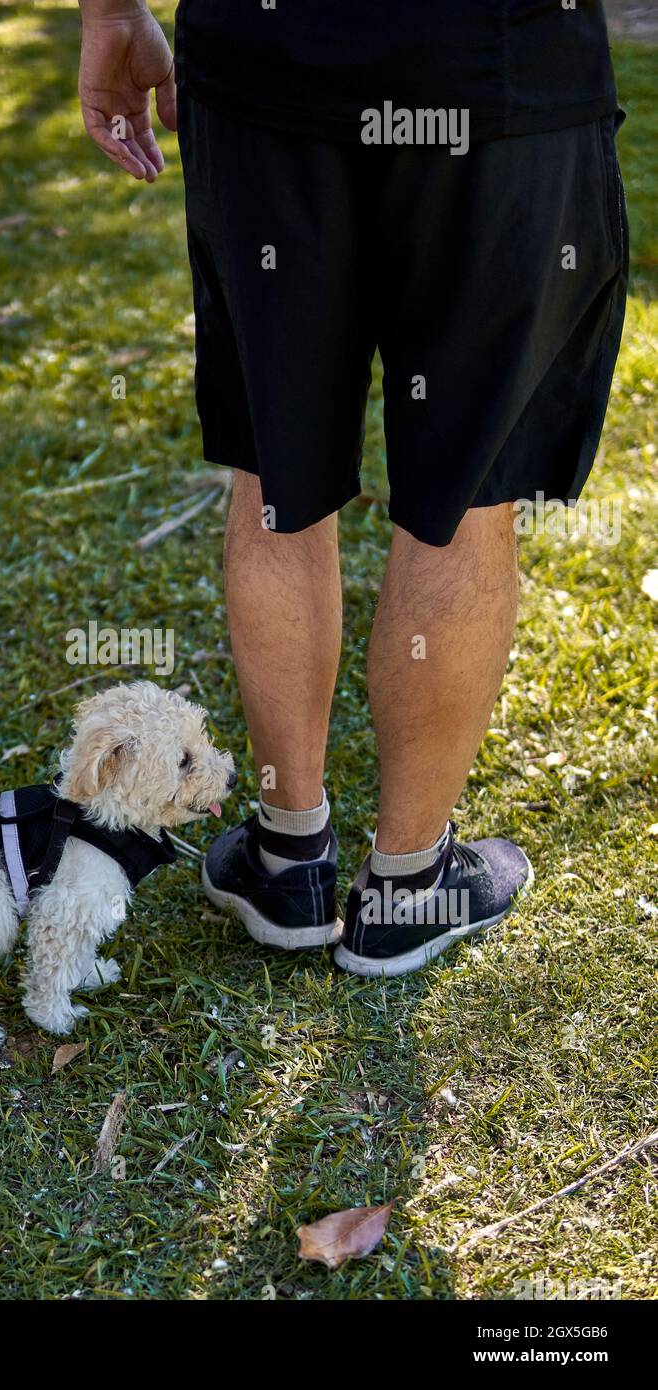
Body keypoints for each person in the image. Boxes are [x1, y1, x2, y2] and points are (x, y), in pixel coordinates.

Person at [76, 1, 628, 975]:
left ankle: (289, 857)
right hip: (494, 61)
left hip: (267, 68)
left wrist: (111, 9)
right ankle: (408, 882)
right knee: (466, 487)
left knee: (275, 472)